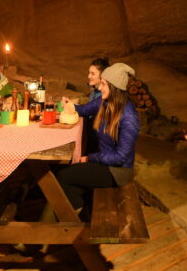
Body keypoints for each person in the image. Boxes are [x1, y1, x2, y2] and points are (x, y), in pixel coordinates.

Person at [57, 62, 140, 212]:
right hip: (103, 160)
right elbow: (83, 109)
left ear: (115, 88)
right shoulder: (105, 102)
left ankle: (76, 216)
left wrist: (90, 158)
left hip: (117, 171)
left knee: (63, 176)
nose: (100, 87)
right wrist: (70, 106)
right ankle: (80, 213)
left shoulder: (129, 118)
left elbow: (120, 158)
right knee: (67, 178)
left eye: (103, 84)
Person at [82, 57, 109, 154]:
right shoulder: (94, 91)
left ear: (102, 76)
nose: (89, 76)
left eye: (93, 73)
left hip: (98, 142)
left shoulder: (104, 95)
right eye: (89, 72)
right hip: (91, 135)